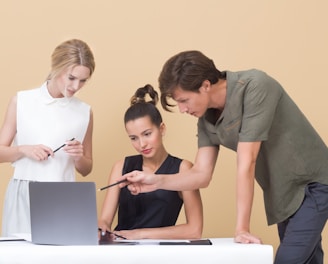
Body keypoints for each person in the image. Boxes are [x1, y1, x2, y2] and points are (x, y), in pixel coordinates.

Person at [121, 51, 328, 263]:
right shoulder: (205, 119)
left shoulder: (255, 86)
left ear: (205, 85)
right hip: (283, 194)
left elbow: (247, 161)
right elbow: (201, 175)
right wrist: (154, 181)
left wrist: (241, 229)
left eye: (184, 100)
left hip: (313, 184)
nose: (182, 109)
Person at [0, 39, 95, 236]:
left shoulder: (84, 112)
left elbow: (86, 169)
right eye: (71, 78)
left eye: (83, 80)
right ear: (56, 68)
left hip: (65, 196)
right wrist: (23, 149)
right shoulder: (22, 101)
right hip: (24, 193)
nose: (76, 86)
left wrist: (78, 157)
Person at [98, 84, 203, 240]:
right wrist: (100, 228)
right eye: (133, 138)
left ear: (162, 129)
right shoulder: (121, 167)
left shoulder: (183, 169)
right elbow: (105, 220)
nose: (142, 144)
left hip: (159, 253)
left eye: (147, 134)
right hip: (121, 251)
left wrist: (139, 234)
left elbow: (194, 230)